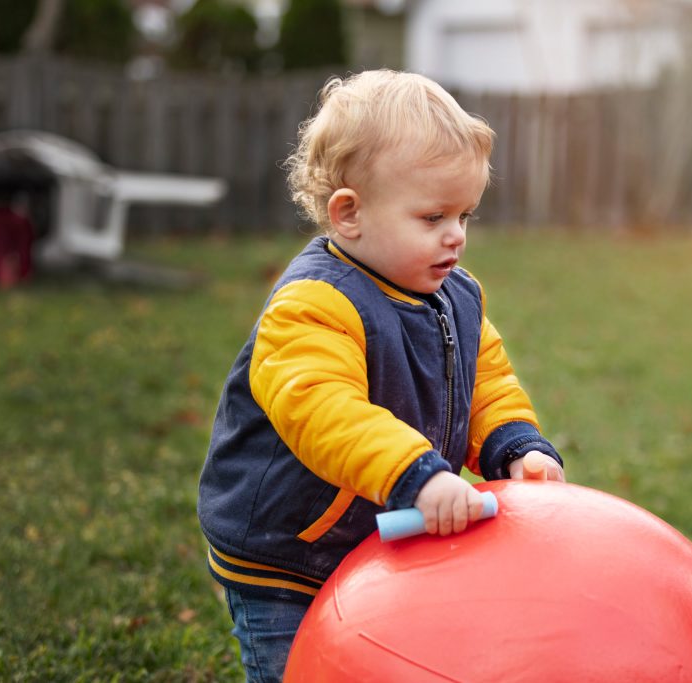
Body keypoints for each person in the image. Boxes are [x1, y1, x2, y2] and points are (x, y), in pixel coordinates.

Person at [197, 69, 564, 683]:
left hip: (383, 533)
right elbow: (323, 411)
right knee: (303, 671)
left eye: (465, 214)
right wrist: (414, 474)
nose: (456, 237)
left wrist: (513, 445)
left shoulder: (456, 297)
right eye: (432, 217)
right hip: (288, 555)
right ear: (349, 214)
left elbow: (485, 383)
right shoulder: (312, 304)